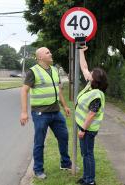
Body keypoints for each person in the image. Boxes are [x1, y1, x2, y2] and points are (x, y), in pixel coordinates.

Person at [20, 47, 72, 179]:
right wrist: (24, 112)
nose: (51, 53)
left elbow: (58, 90)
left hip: (56, 112)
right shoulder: (33, 71)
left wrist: (65, 106)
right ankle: (38, 169)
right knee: (39, 142)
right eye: (47, 52)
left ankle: (65, 163)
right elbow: (24, 91)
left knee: (64, 136)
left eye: (50, 51)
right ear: (40, 57)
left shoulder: (54, 70)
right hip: (40, 114)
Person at [76, 46, 108, 185]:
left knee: (88, 154)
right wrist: (81, 51)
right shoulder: (91, 86)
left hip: (88, 129)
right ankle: (86, 177)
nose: (88, 73)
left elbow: (91, 114)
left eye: (91, 73)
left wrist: (83, 129)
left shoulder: (97, 95)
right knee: (85, 154)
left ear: (94, 79)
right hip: (84, 127)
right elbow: (83, 66)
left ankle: (90, 181)